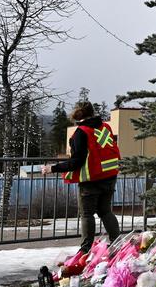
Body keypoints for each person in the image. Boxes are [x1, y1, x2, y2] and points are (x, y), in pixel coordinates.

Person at [41, 102, 122, 253]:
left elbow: (76, 162)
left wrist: (52, 168)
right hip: (110, 176)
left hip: (91, 180)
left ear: (78, 114)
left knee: (87, 214)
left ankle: (85, 250)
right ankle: (117, 243)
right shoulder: (105, 127)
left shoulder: (81, 132)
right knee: (105, 211)